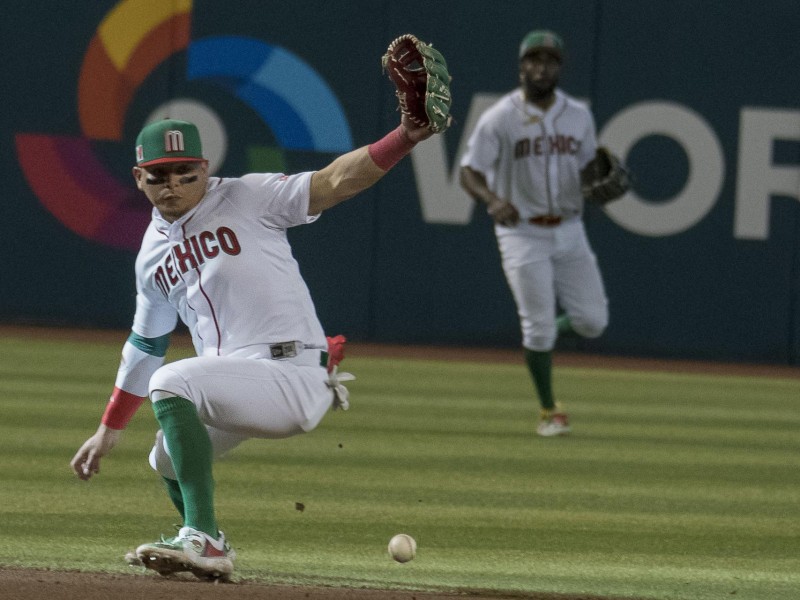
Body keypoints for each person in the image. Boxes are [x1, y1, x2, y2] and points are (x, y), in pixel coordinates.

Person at [70, 111, 437, 578]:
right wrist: (109, 428)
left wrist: (404, 137)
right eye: (160, 175)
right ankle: (208, 545)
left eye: (187, 174)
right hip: (240, 379)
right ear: (139, 178)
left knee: (172, 381)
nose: (174, 185)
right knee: (163, 456)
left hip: (292, 371)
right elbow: (146, 342)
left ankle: (201, 536)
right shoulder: (151, 256)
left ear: (205, 169)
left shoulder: (247, 196)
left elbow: (335, 181)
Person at [459, 30, 609, 437]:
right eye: (534, 59)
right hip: (522, 231)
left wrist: (600, 181)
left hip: (569, 227)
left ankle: (540, 342)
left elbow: (591, 168)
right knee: (537, 325)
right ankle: (549, 410)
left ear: (559, 67)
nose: (541, 67)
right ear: (521, 65)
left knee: (592, 321)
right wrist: (491, 199)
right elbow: (468, 171)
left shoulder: (578, 115)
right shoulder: (500, 116)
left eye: (550, 60)